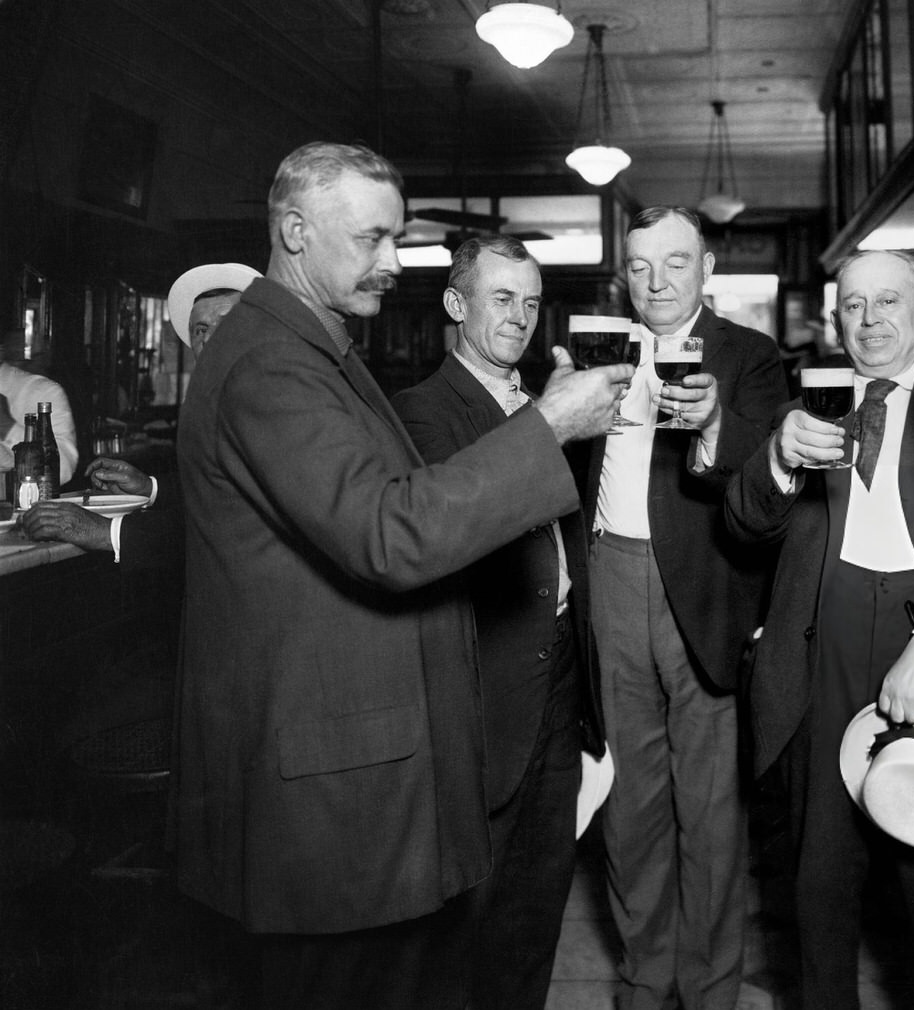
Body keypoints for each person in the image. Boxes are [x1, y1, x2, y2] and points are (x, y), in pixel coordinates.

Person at [173, 141, 630, 1010]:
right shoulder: (272, 362)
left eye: (397, 238)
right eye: (374, 238)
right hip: (325, 781)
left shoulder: (312, 347)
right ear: (296, 232)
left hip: (353, 763)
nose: (394, 262)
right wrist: (547, 429)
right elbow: (387, 532)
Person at [724, 250, 914, 1010]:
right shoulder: (805, 405)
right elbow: (743, 525)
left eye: (888, 301)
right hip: (823, 643)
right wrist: (778, 460)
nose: (870, 321)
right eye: (853, 306)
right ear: (833, 320)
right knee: (819, 882)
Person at [580, 205, 788, 1010]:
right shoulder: (597, 348)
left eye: (676, 263)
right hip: (608, 578)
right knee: (630, 810)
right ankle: (642, 982)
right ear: (623, 275)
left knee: (709, 817)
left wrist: (714, 425)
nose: (657, 281)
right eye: (640, 266)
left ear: (706, 272)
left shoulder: (752, 357)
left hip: (704, 593)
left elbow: (773, 478)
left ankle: (710, 993)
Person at [389, 234, 602, 1010]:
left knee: (537, 910)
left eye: (531, 301)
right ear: (456, 305)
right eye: (500, 298)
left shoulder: (545, 401)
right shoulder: (421, 411)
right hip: (486, 696)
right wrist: (550, 420)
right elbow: (453, 545)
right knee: (468, 926)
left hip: (561, 686)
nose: (519, 316)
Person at [16, 263, 259, 567]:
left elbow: (233, 521)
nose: (209, 340)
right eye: (201, 329)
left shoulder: (271, 408)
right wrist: (149, 487)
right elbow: (215, 493)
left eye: (225, 325)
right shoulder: (222, 401)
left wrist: (106, 530)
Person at [1, 331, 78, 486]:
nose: (26, 363)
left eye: (31, 357)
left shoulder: (42, 392)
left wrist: (8, 427)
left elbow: (62, 470)